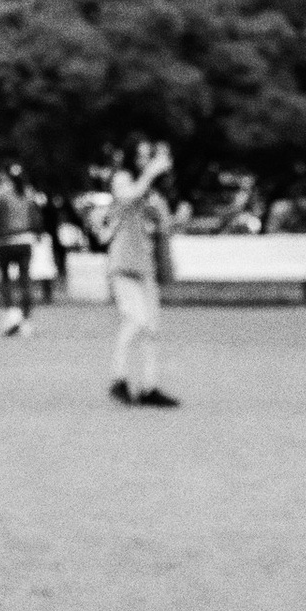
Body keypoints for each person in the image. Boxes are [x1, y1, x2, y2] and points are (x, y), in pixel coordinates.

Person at [101, 142, 181, 410]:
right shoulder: (123, 179)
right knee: (135, 320)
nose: (146, 160)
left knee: (151, 329)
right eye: (142, 156)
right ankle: (118, 379)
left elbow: (163, 225)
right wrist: (152, 173)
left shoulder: (151, 191)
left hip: (145, 267)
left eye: (150, 156)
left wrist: (174, 216)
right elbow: (127, 197)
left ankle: (149, 387)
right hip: (123, 264)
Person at [0, 164, 40, 332]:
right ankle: (26, 319)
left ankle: (12, 314)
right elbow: (36, 217)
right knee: (25, 281)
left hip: (7, 241)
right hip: (25, 240)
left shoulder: (2, 194)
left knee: (5, 279)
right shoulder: (29, 193)